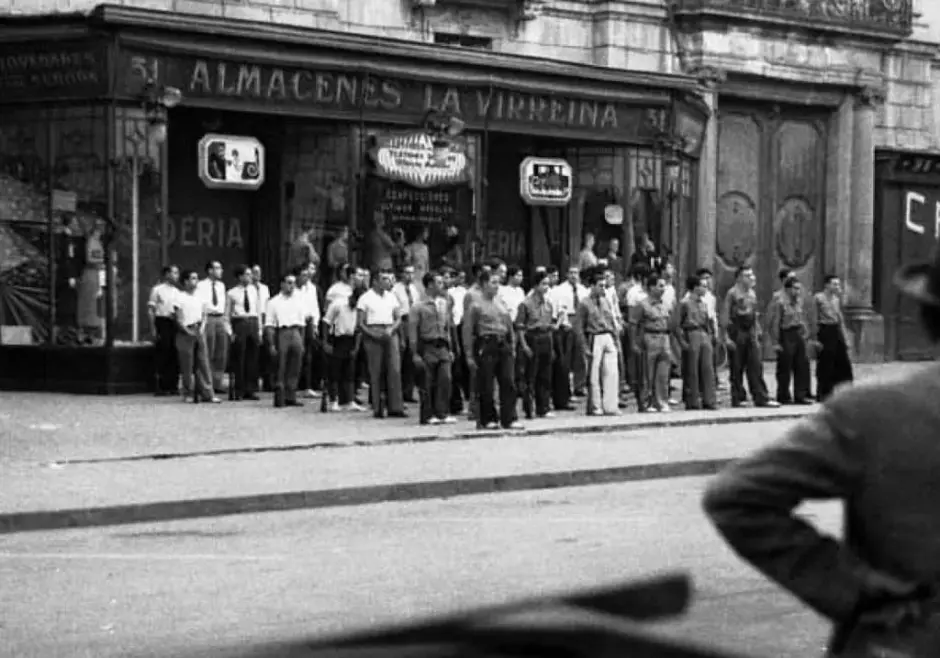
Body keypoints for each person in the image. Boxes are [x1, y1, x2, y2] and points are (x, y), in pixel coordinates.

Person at [702, 248, 940, 658]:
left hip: (899, 639)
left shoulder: (874, 414)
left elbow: (736, 497)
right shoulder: (871, 411)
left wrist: (857, 591)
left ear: (927, 318)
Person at [464, 270, 521, 431]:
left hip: (503, 344)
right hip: (486, 343)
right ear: (483, 284)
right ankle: (488, 418)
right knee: (486, 384)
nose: (497, 286)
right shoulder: (475, 305)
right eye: (493, 283)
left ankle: (509, 418)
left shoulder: (500, 302)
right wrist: (469, 355)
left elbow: (509, 325)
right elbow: (468, 331)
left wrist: (513, 345)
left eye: (498, 283)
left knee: (508, 381)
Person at [722, 265, 779, 408]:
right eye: (748, 275)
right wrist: (725, 337)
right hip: (737, 331)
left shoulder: (752, 293)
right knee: (736, 367)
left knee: (755, 365)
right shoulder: (732, 293)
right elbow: (725, 316)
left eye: (752, 275)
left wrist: (757, 331)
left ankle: (761, 397)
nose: (752, 278)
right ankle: (738, 397)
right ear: (740, 278)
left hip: (751, 332)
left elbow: (754, 314)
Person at [357, 269, 406, 418]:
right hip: (373, 331)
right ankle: (378, 407)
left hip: (390, 330)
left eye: (389, 279)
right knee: (376, 370)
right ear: (375, 281)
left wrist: (391, 329)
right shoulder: (365, 298)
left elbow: (398, 317)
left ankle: (396, 406)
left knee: (394, 369)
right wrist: (372, 334)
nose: (388, 282)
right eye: (384, 279)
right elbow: (360, 323)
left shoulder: (391, 297)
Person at [410, 271, 457, 425]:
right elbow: (413, 331)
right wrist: (415, 353)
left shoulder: (444, 303)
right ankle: (428, 414)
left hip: (442, 344)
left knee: (445, 379)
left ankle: (442, 412)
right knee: (427, 381)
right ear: (430, 285)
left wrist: (450, 348)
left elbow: (446, 327)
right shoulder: (418, 306)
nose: (442, 285)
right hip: (427, 344)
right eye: (438, 282)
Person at [578, 266, 620, 416]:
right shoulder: (584, 303)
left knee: (611, 372)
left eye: (604, 285)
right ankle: (595, 406)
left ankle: (610, 405)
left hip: (607, 334)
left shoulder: (606, 301)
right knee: (594, 375)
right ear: (592, 286)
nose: (603, 288)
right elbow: (579, 327)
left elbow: (611, 321)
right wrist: (584, 347)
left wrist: (615, 340)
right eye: (600, 285)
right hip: (594, 336)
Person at [515, 268, 556, 420]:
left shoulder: (548, 303)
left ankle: (543, 407)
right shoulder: (525, 304)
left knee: (545, 375)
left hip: (546, 337)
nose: (547, 287)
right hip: (532, 337)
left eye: (547, 284)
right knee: (531, 375)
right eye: (543, 284)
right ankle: (529, 408)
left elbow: (550, 322)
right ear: (536, 285)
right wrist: (524, 345)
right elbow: (519, 326)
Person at [265, 271, 310, 408]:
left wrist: (301, 341)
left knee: (295, 365)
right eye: (289, 283)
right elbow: (270, 325)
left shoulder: (298, 300)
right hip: (282, 331)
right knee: (281, 365)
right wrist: (271, 344)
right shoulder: (273, 302)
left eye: (294, 283)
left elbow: (302, 322)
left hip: (295, 331)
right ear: (282, 284)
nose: (292, 286)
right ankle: (280, 395)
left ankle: (292, 395)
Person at [174, 269, 220, 404]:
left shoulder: (200, 296)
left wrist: (202, 327)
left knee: (203, 362)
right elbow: (178, 316)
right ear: (186, 281)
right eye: (193, 278)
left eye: (196, 278)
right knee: (187, 364)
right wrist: (185, 330)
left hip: (199, 329)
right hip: (186, 330)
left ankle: (208, 393)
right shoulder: (179, 296)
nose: (196, 281)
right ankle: (188, 392)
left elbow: (204, 314)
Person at [631, 272, 674, 412]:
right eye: (660, 286)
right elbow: (633, 324)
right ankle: (646, 402)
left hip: (664, 337)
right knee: (647, 373)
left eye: (664, 286)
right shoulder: (642, 305)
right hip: (649, 337)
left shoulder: (665, 304)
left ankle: (661, 401)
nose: (663, 289)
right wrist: (634, 343)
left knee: (663, 373)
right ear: (651, 287)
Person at [768, 276, 812, 405]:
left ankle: (800, 395)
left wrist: (805, 331)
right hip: (785, 333)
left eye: (799, 289)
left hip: (797, 333)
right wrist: (775, 342)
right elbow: (775, 323)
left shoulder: (799, 301)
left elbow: (801, 317)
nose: (798, 291)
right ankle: (783, 395)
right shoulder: (780, 302)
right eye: (795, 288)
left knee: (801, 364)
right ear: (787, 289)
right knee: (785, 366)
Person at [812, 274, 854, 401]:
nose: (837, 286)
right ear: (827, 285)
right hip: (824, 330)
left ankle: (845, 391)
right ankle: (824, 393)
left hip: (835, 330)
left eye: (838, 284)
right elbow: (814, 317)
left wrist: (845, 337)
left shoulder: (836, 299)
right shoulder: (818, 298)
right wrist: (814, 338)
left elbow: (840, 318)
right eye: (834, 284)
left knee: (843, 362)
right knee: (826, 363)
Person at [324, 273, 363, 412]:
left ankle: (349, 400)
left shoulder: (359, 309)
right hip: (338, 338)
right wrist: (325, 342)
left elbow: (359, 328)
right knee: (335, 371)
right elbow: (326, 323)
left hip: (351, 339)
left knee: (350, 372)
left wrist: (356, 347)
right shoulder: (338, 304)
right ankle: (333, 400)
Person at [677, 274, 716, 410]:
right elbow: (677, 324)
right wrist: (682, 341)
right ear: (695, 287)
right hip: (691, 332)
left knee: (708, 368)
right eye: (702, 286)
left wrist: (710, 335)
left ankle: (709, 399)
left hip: (703, 333)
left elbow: (708, 322)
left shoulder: (704, 304)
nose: (705, 289)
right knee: (692, 369)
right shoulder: (685, 303)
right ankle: (692, 400)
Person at [226, 264, 262, 401]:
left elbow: (258, 310)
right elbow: (227, 314)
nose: (250, 277)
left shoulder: (254, 290)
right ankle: (239, 389)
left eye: (250, 274)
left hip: (252, 321)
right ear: (240, 277)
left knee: (252, 357)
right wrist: (230, 332)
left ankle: (250, 389)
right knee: (239, 357)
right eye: (246, 274)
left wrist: (259, 330)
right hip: (239, 322)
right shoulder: (232, 293)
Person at [195, 261, 230, 393]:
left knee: (221, 352)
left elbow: (224, 304)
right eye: (217, 268)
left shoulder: (221, 285)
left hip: (220, 318)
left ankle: (217, 382)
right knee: (208, 350)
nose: (220, 271)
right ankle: (205, 384)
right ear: (210, 270)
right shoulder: (201, 285)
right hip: (208, 317)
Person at [148, 265, 180, 396]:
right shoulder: (157, 290)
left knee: (174, 352)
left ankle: (173, 385)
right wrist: (153, 328)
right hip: (162, 321)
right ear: (167, 274)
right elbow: (151, 310)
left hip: (174, 322)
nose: (176, 275)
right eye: (174, 273)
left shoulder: (177, 292)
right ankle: (161, 385)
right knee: (163, 351)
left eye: (177, 273)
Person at [393, 264, 422, 403]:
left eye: (412, 273)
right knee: (400, 357)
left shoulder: (414, 289)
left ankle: (408, 392)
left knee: (411, 358)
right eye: (407, 273)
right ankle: (397, 393)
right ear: (401, 274)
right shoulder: (396, 289)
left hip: (413, 321)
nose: (410, 276)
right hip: (402, 322)